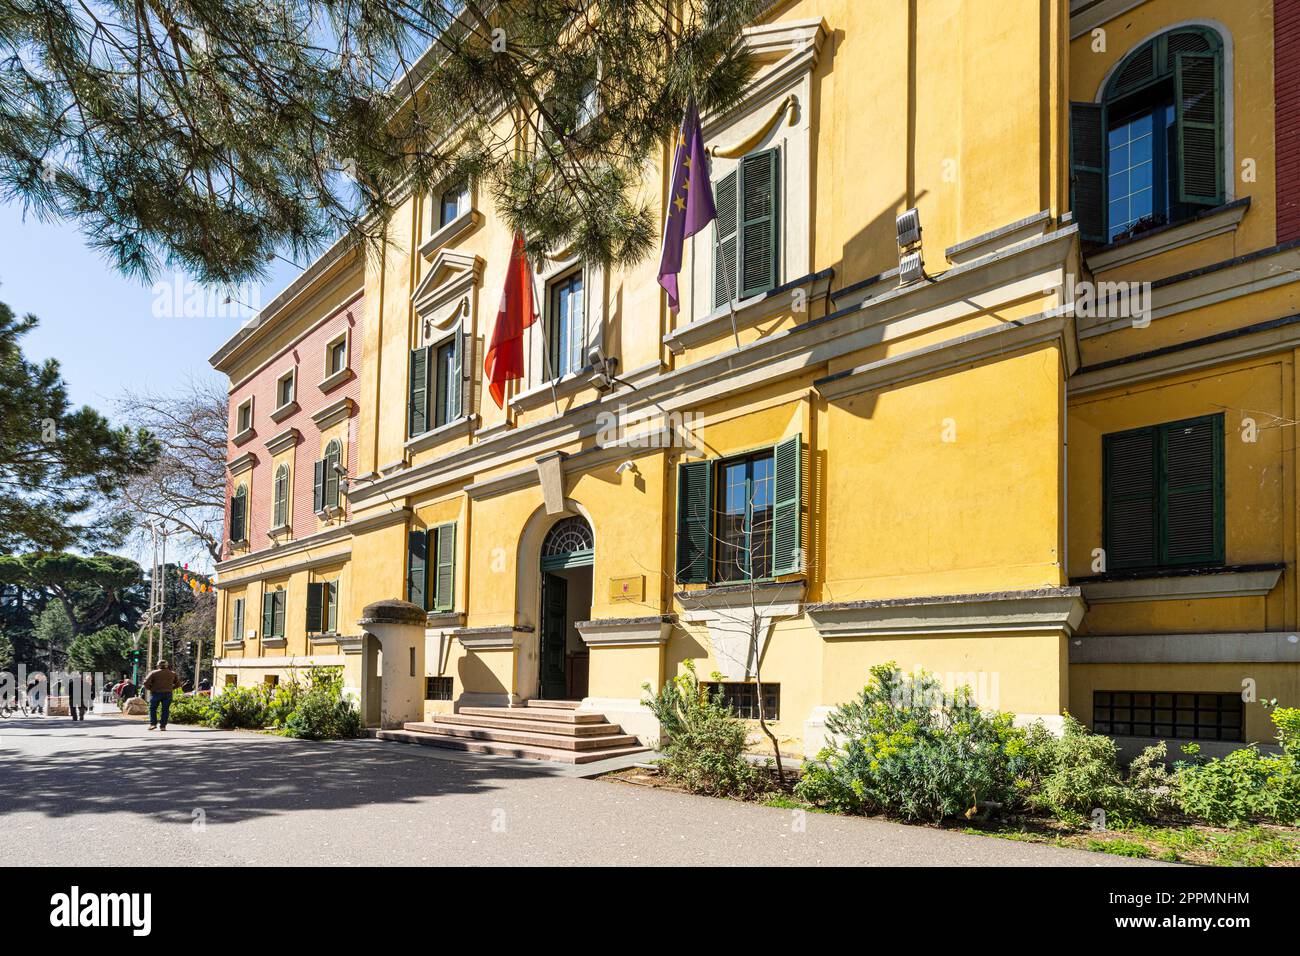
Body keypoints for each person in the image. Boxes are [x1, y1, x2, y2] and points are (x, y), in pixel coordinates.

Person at [142, 660, 182, 731]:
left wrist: (150, 688)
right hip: (168, 693)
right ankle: (163, 726)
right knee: (165, 710)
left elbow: (145, 683)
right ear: (167, 666)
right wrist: (171, 688)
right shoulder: (172, 673)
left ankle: (153, 724)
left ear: (158, 666)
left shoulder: (153, 673)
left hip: (156, 693)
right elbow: (178, 684)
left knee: (152, 709)